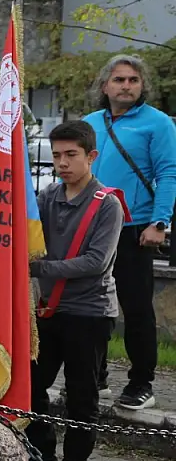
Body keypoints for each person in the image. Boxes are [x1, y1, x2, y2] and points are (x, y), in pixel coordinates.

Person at [26, 121, 124, 461]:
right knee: (31, 389)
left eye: (71, 156)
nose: (62, 164)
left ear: (91, 156)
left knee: (82, 398)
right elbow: (29, 236)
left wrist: (41, 269)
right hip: (49, 310)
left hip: (89, 312)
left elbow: (95, 262)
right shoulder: (48, 197)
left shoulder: (107, 204)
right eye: (56, 156)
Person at [83, 55, 176, 410]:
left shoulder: (158, 123)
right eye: (119, 79)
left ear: (142, 86)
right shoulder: (90, 123)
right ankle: (96, 375)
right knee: (89, 305)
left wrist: (159, 222)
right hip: (91, 227)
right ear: (105, 85)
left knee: (136, 308)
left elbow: (168, 174)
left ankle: (142, 384)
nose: (126, 85)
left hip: (135, 227)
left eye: (133, 80)